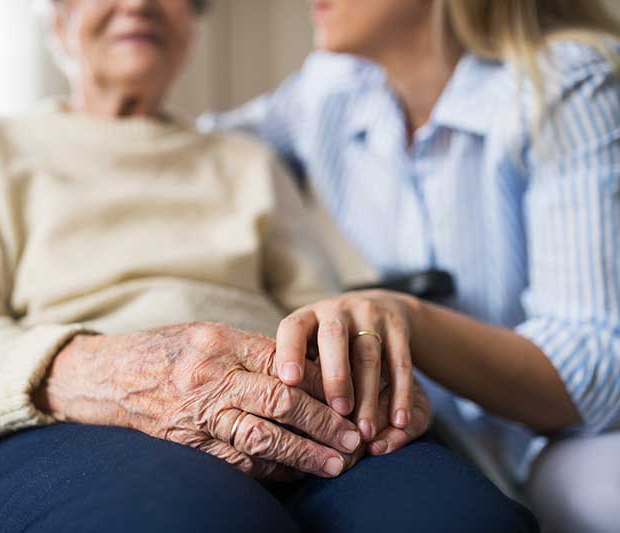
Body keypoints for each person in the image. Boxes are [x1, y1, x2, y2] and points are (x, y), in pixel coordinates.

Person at [0, 0, 537, 531]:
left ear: (190, 27)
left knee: (461, 517)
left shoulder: (244, 158)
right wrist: (106, 374)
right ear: (57, 21)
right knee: (188, 518)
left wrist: (364, 375)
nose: (140, 4)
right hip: (72, 417)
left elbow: (317, 302)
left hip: (282, 404)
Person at [198, 1, 620, 532]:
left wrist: (408, 318)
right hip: (445, 437)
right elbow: (198, 146)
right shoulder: (332, 92)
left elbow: (599, 371)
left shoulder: (566, 83)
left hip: (577, 438)